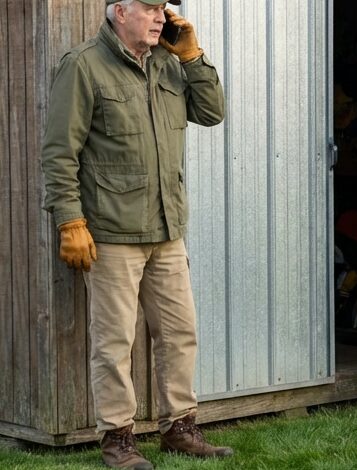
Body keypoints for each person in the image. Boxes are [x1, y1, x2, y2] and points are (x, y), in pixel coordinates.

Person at [41, 1, 231, 468]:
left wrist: (193, 58)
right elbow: (59, 152)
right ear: (119, 12)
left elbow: (211, 113)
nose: (160, 17)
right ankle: (117, 438)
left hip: (167, 228)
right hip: (110, 232)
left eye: (163, 9)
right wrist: (70, 220)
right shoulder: (84, 65)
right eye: (149, 8)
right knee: (114, 340)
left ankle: (179, 428)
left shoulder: (168, 63)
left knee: (179, 332)